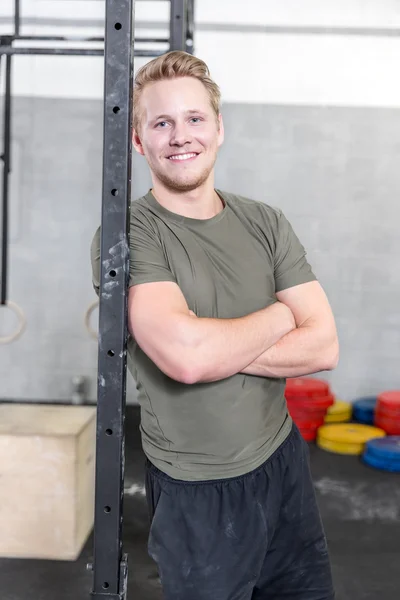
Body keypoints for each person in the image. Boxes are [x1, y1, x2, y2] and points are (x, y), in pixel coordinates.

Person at [90, 51, 339, 600]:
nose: (181, 136)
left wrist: (213, 340)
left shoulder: (264, 221)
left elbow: (323, 345)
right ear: (139, 141)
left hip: (282, 460)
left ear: (219, 129)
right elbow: (188, 359)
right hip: (197, 490)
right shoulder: (129, 234)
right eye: (161, 123)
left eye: (195, 119)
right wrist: (280, 315)